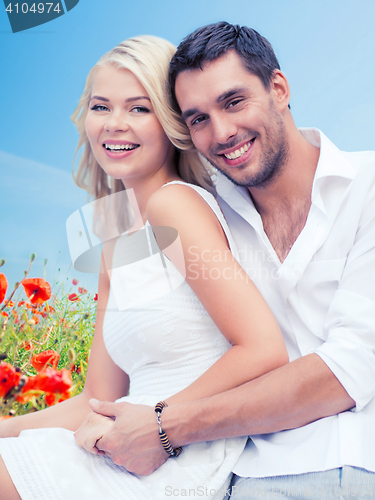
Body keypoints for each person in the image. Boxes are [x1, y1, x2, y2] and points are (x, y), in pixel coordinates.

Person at [86, 22, 375, 499]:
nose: (222, 132)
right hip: (246, 476)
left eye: (234, 101)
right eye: (198, 118)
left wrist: (163, 427)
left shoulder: (367, 186)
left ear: (278, 88)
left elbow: (352, 366)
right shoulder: (207, 210)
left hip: (358, 460)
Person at [0, 34, 289, 500]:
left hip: (179, 454)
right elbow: (98, 398)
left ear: (170, 121)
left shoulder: (174, 205)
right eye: (101, 107)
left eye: (138, 108)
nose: (115, 125)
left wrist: (156, 423)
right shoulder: (115, 242)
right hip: (123, 441)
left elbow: (263, 348)